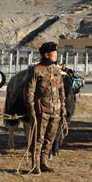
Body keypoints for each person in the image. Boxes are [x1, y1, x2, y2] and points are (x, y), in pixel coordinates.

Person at [25, 42, 66, 173]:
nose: (56, 56)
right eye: (54, 54)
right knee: (38, 138)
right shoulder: (36, 70)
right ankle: (34, 165)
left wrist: (63, 105)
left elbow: (61, 89)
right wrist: (31, 109)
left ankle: (44, 163)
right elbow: (29, 91)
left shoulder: (56, 70)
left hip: (56, 110)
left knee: (50, 138)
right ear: (46, 55)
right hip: (41, 110)